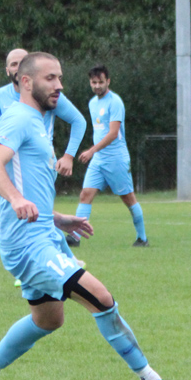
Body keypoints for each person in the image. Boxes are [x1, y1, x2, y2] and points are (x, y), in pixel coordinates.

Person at [0, 52, 189, 380]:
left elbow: (30, 189)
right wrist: (16, 198)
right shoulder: (17, 118)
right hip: (27, 245)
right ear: (25, 82)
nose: (59, 85)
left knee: (48, 319)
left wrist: (57, 218)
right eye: (50, 78)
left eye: (60, 77)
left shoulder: (38, 121)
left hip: (42, 234)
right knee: (101, 298)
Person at [0, 48, 87, 204]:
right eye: (14, 64)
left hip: (43, 158)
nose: (18, 67)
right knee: (19, 210)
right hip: (15, 161)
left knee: (39, 209)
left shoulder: (48, 96)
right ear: (7, 71)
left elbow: (79, 121)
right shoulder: (10, 106)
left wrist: (68, 156)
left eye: (23, 62)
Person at [69, 64, 148, 247]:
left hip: (116, 159)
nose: (97, 86)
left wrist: (91, 150)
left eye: (100, 82)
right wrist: (95, 153)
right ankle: (75, 237)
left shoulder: (115, 102)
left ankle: (142, 238)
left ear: (108, 81)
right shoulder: (92, 103)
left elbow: (113, 133)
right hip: (99, 160)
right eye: (93, 82)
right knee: (85, 194)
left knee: (128, 199)